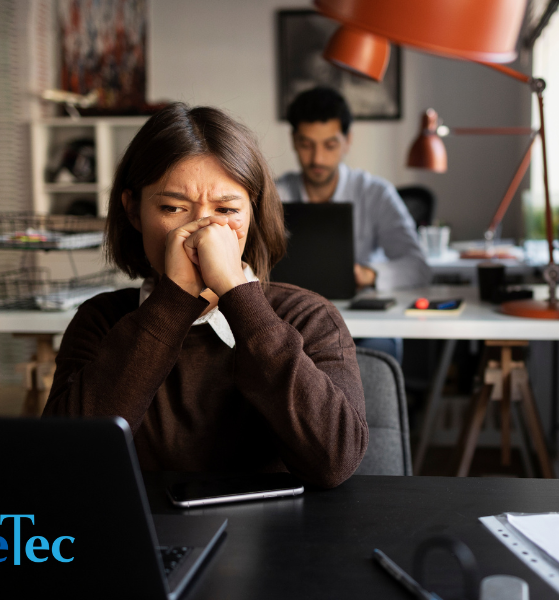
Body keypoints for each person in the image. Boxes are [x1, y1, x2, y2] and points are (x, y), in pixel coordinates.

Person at [43, 103, 368, 489]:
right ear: (133, 211)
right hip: (148, 538)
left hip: (278, 540)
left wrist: (239, 296)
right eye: (173, 208)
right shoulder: (100, 320)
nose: (201, 231)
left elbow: (334, 461)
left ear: (253, 213)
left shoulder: (309, 316)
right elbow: (65, 459)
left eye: (227, 209)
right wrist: (174, 299)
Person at [276, 87, 431, 292]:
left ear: (347, 141)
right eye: (306, 145)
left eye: (330, 145)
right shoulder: (273, 195)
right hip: (289, 310)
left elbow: (418, 267)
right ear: (294, 140)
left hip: (360, 315)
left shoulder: (376, 193)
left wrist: (369, 274)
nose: (317, 158)